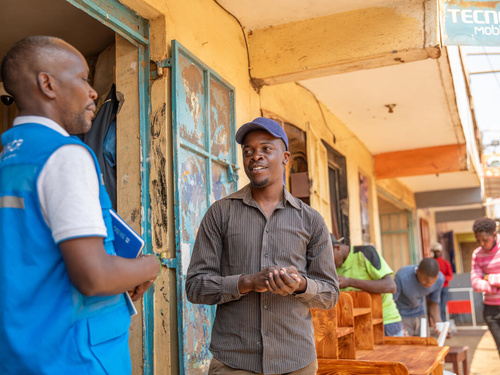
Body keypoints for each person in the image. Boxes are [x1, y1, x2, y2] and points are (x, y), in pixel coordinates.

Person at [0, 36, 161, 374]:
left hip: (21, 354)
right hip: (77, 357)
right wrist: (150, 266)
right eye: (84, 78)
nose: (92, 92)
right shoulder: (65, 155)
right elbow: (94, 276)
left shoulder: (8, 159)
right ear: (47, 84)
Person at [186, 117, 339, 375]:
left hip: (295, 362)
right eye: (248, 151)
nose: (255, 156)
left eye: (266, 149)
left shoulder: (311, 220)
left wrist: (300, 285)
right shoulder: (220, 213)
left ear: (285, 157)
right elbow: (195, 286)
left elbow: (330, 294)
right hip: (234, 362)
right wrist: (245, 282)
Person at [332, 234, 404, 336]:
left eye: (328, 258)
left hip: (386, 323)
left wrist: (350, 282)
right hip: (360, 327)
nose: (328, 263)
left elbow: (391, 286)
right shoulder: (333, 268)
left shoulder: (364, 253)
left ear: (337, 247)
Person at [471, 217, 500, 356]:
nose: (481, 244)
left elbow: (481, 280)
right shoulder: (477, 254)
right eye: (478, 240)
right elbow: (475, 283)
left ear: (494, 235)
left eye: (485, 240)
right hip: (491, 311)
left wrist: (489, 277)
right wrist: (496, 287)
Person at [394, 258, 444, 336]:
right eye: (425, 282)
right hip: (401, 316)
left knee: (425, 344)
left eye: (432, 282)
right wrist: (397, 325)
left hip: (420, 315)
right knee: (406, 346)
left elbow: (433, 303)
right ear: (417, 272)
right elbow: (391, 302)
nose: (429, 285)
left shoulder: (440, 279)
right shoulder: (402, 277)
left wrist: (438, 323)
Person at [431, 242, 453, 322]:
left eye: (438, 251)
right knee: (436, 307)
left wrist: (441, 278)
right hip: (434, 288)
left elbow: (450, 276)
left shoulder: (445, 263)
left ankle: (443, 325)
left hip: (444, 288)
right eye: (435, 251)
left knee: (442, 308)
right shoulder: (431, 262)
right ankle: (438, 325)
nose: (437, 253)